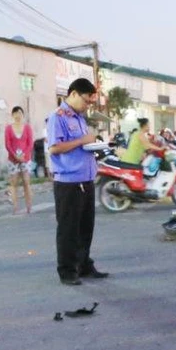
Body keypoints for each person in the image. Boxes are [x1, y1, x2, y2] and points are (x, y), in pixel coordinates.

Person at [46, 78, 108, 286]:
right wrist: (82, 141)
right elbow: (54, 148)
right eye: (86, 101)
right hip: (69, 182)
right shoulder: (58, 117)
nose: (87, 106)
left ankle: (84, 265)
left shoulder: (80, 118)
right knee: (69, 229)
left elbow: (83, 145)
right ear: (73, 94)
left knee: (85, 228)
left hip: (86, 178)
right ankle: (67, 271)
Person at [3, 106, 34, 215]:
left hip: (25, 159)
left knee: (26, 182)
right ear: (12, 115)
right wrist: (15, 156)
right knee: (14, 183)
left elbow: (30, 143)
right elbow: (7, 144)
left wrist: (24, 155)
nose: (18, 115)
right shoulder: (8, 128)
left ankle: (29, 206)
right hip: (13, 159)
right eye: (15, 113)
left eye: (20, 113)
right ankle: (15, 207)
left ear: (23, 115)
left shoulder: (27, 128)